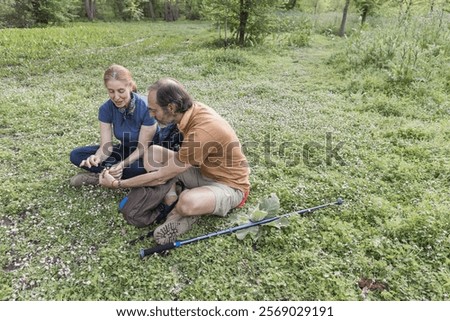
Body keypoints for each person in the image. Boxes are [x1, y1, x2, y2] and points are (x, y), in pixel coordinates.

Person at [99, 78, 250, 244]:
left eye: (153, 110)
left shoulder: (203, 132)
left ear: (171, 108)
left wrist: (117, 184)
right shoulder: (190, 111)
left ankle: (184, 212)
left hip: (230, 186)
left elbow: (160, 176)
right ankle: (172, 198)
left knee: (187, 201)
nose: (150, 115)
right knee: (152, 153)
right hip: (202, 170)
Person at [70, 65, 181, 186]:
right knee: (76, 155)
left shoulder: (146, 107)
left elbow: (142, 148)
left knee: (137, 170)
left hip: (148, 153)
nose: (116, 97)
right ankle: (110, 175)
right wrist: (96, 158)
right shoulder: (105, 109)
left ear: (130, 87)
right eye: (111, 91)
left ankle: (102, 177)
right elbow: (105, 147)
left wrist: (121, 165)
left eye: (121, 91)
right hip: (126, 149)